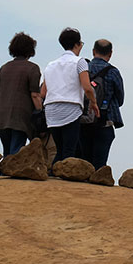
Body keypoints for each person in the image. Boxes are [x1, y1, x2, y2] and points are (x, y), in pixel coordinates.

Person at [41, 28, 98, 164]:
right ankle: (64, 182)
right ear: (78, 44)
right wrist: (94, 103)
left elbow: (43, 92)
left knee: (60, 149)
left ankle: (53, 175)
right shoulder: (80, 62)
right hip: (70, 108)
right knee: (69, 149)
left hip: (51, 110)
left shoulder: (50, 65)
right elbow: (87, 87)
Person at [0, 32, 42, 156]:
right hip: (20, 116)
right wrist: (40, 112)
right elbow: (35, 95)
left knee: (7, 151)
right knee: (16, 151)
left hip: (1, 116)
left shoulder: (4, 67)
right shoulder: (32, 68)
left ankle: (3, 173)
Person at [78, 39, 124, 170]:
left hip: (83, 120)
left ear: (93, 51)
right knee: (99, 164)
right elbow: (120, 99)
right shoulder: (113, 72)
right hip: (105, 121)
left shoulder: (83, 69)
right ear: (110, 53)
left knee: (84, 161)